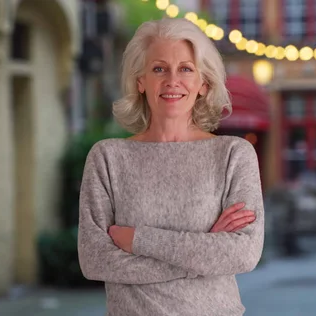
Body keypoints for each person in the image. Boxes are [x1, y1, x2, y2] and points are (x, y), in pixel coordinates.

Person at [77, 18, 264, 316]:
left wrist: (138, 239)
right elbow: (95, 260)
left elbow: (243, 254)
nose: (171, 81)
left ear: (203, 83)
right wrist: (203, 255)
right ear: (141, 81)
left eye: (186, 69)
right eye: (159, 68)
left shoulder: (233, 155)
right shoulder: (108, 157)